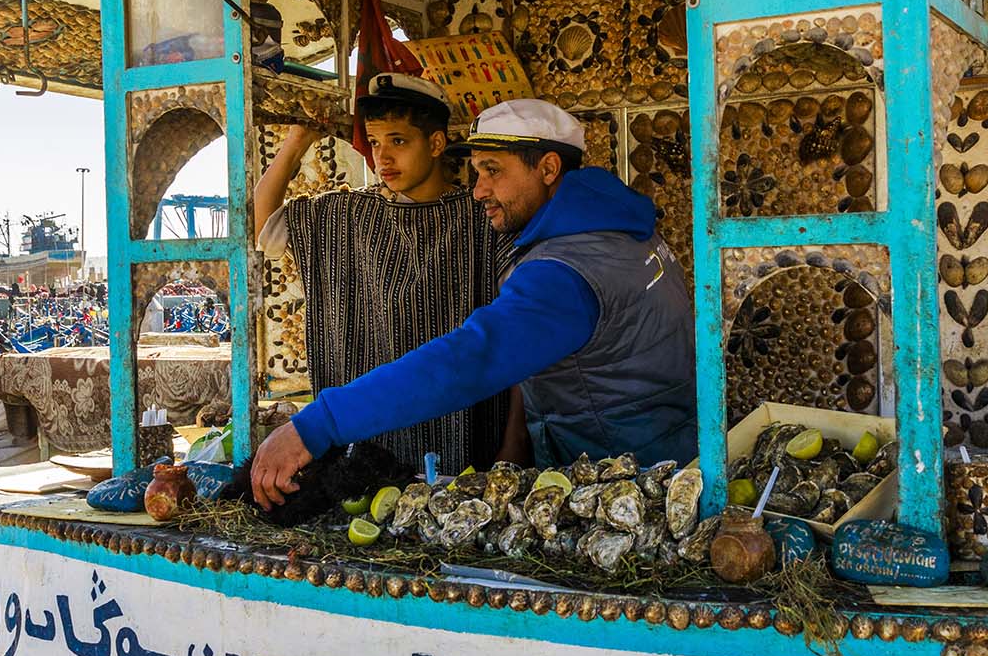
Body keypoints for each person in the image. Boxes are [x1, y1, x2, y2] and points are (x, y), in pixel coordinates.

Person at [252, 99, 697, 509]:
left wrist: (317, 425)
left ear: (547, 167)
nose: (479, 190)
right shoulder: (619, 228)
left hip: (628, 477)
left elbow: (471, 358)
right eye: (477, 173)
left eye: (492, 171)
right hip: (659, 449)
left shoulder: (566, 268)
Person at [253, 72, 512, 471]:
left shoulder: (480, 218)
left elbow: (516, 339)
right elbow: (262, 224)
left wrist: (512, 447)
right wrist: (297, 141)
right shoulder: (345, 214)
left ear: (437, 143)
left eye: (398, 141)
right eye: (374, 143)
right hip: (367, 449)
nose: (383, 158)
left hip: (462, 444)